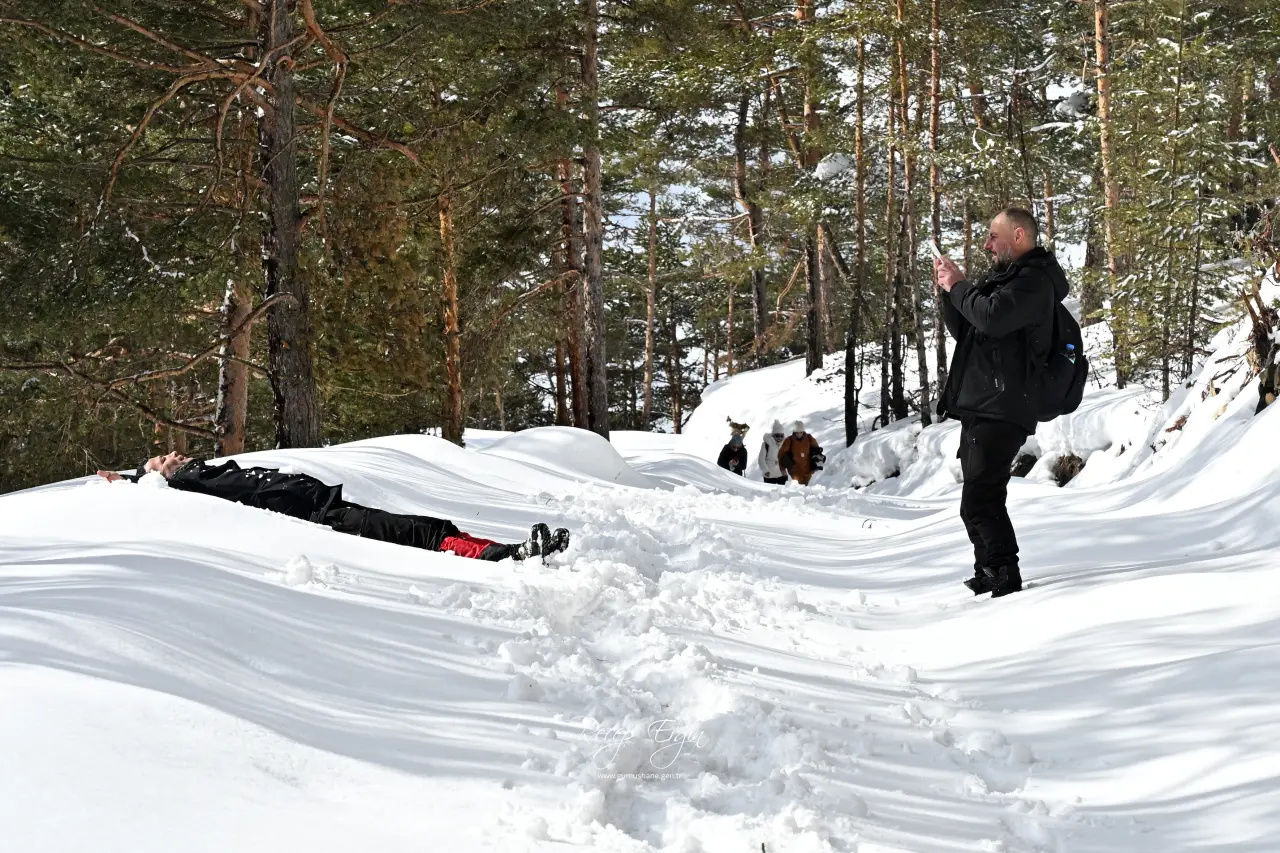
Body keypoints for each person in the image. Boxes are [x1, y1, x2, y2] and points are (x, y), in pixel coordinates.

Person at [934, 207, 1069, 598]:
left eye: (994, 235)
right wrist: (950, 291)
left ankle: (1003, 573)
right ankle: (988, 569)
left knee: (982, 496)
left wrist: (961, 286)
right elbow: (968, 327)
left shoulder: (1034, 281)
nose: (987, 244)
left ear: (1020, 236)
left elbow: (990, 318)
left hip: (1005, 403)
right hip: (984, 401)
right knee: (976, 499)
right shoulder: (1005, 280)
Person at [97, 452, 570, 561]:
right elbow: (148, 493)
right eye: (163, 458)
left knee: (427, 526)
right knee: (422, 533)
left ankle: (503, 551)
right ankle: (504, 556)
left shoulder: (210, 471)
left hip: (326, 508)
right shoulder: (184, 486)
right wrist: (132, 478)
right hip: (321, 523)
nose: (172, 455)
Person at [778, 421, 822, 486]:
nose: (799, 434)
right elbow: (781, 454)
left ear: (803, 431)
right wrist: (782, 468)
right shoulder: (789, 440)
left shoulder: (809, 438)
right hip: (795, 470)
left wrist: (819, 458)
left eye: (800, 432)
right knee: (798, 488)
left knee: (805, 487)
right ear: (794, 432)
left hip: (808, 469)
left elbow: (817, 449)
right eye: (797, 433)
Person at [758, 421, 789, 485]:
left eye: (781, 436)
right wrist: (765, 470)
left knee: (782, 494)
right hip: (769, 475)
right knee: (770, 494)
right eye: (777, 435)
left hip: (782, 475)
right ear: (773, 435)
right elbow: (761, 459)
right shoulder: (766, 444)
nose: (779, 438)